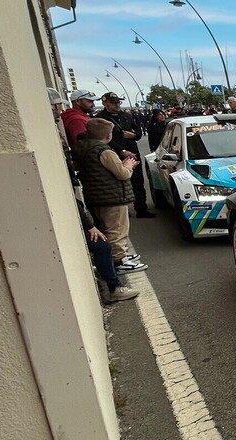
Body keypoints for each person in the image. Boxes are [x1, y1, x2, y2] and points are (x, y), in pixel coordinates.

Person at [72, 118, 148, 274]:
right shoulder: (105, 151)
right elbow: (122, 174)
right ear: (108, 136)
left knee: (109, 229)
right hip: (112, 196)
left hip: (97, 195)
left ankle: (119, 256)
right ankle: (119, 260)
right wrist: (129, 166)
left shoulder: (83, 147)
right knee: (117, 230)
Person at [94, 92, 155, 218]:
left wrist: (134, 135)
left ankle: (141, 208)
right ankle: (124, 212)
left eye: (118, 102)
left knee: (138, 182)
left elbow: (138, 131)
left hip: (133, 152)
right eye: (113, 103)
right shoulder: (100, 118)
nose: (117, 105)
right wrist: (121, 151)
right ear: (105, 103)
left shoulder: (126, 116)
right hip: (114, 154)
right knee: (118, 183)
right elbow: (102, 139)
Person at [76, 197, 140, 302]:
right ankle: (114, 287)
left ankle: (113, 282)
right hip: (109, 197)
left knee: (104, 242)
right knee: (103, 246)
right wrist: (89, 226)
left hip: (100, 199)